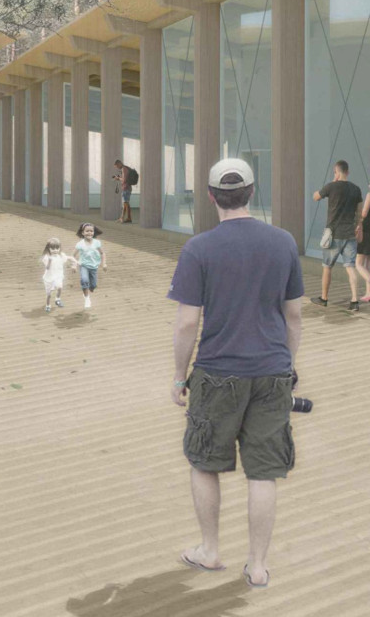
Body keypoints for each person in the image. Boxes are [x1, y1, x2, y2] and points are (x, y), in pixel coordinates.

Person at [168, 158, 304, 590]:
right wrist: (288, 365)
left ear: (211, 197)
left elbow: (188, 323)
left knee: (205, 463)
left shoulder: (199, 249)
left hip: (217, 373)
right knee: (264, 472)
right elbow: (294, 316)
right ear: (251, 192)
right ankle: (258, 566)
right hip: (272, 372)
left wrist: (178, 376)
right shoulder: (283, 242)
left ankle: (210, 551)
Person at [310, 160, 363, 310]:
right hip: (350, 235)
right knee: (350, 267)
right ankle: (354, 301)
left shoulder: (331, 187)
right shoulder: (356, 189)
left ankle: (324, 298)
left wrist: (332, 182)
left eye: (334, 172)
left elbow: (315, 197)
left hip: (333, 234)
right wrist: (358, 225)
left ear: (337, 172)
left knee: (327, 267)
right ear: (348, 172)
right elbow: (359, 212)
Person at [73, 222, 106, 310]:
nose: (89, 233)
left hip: (94, 266)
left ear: (94, 232)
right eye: (87, 231)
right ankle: (87, 298)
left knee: (93, 285)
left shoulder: (97, 243)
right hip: (83, 265)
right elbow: (73, 256)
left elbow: (102, 253)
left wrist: (104, 263)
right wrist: (74, 265)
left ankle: (90, 289)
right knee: (84, 280)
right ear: (83, 233)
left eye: (91, 231)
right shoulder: (80, 244)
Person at [41, 237, 74, 312]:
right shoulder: (46, 257)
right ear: (48, 248)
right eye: (53, 248)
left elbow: (69, 258)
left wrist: (75, 262)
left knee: (59, 288)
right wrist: (49, 261)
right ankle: (48, 305)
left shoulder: (61, 255)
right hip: (49, 278)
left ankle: (57, 299)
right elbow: (47, 268)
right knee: (49, 294)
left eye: (57, 248)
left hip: (58, 276)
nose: (55, 250)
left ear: (59, 248)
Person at [357, 186, 370, 303]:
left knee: (358, 264)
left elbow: (364, 213)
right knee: (367, 265)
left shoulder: (369, 194)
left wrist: (358, 219)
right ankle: (368, 294)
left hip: (367, 233)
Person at [113, 159, 136, 224]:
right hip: (127, 188)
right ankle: (129, 218)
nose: (117, 167)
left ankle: (122, 217)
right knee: (127, 204)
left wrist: (118, 178)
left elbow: (124, 180)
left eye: (117, 166)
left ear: (119, 163)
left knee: (125, 203)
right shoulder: (125, 168)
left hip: (126, 188)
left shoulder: (124, 169)